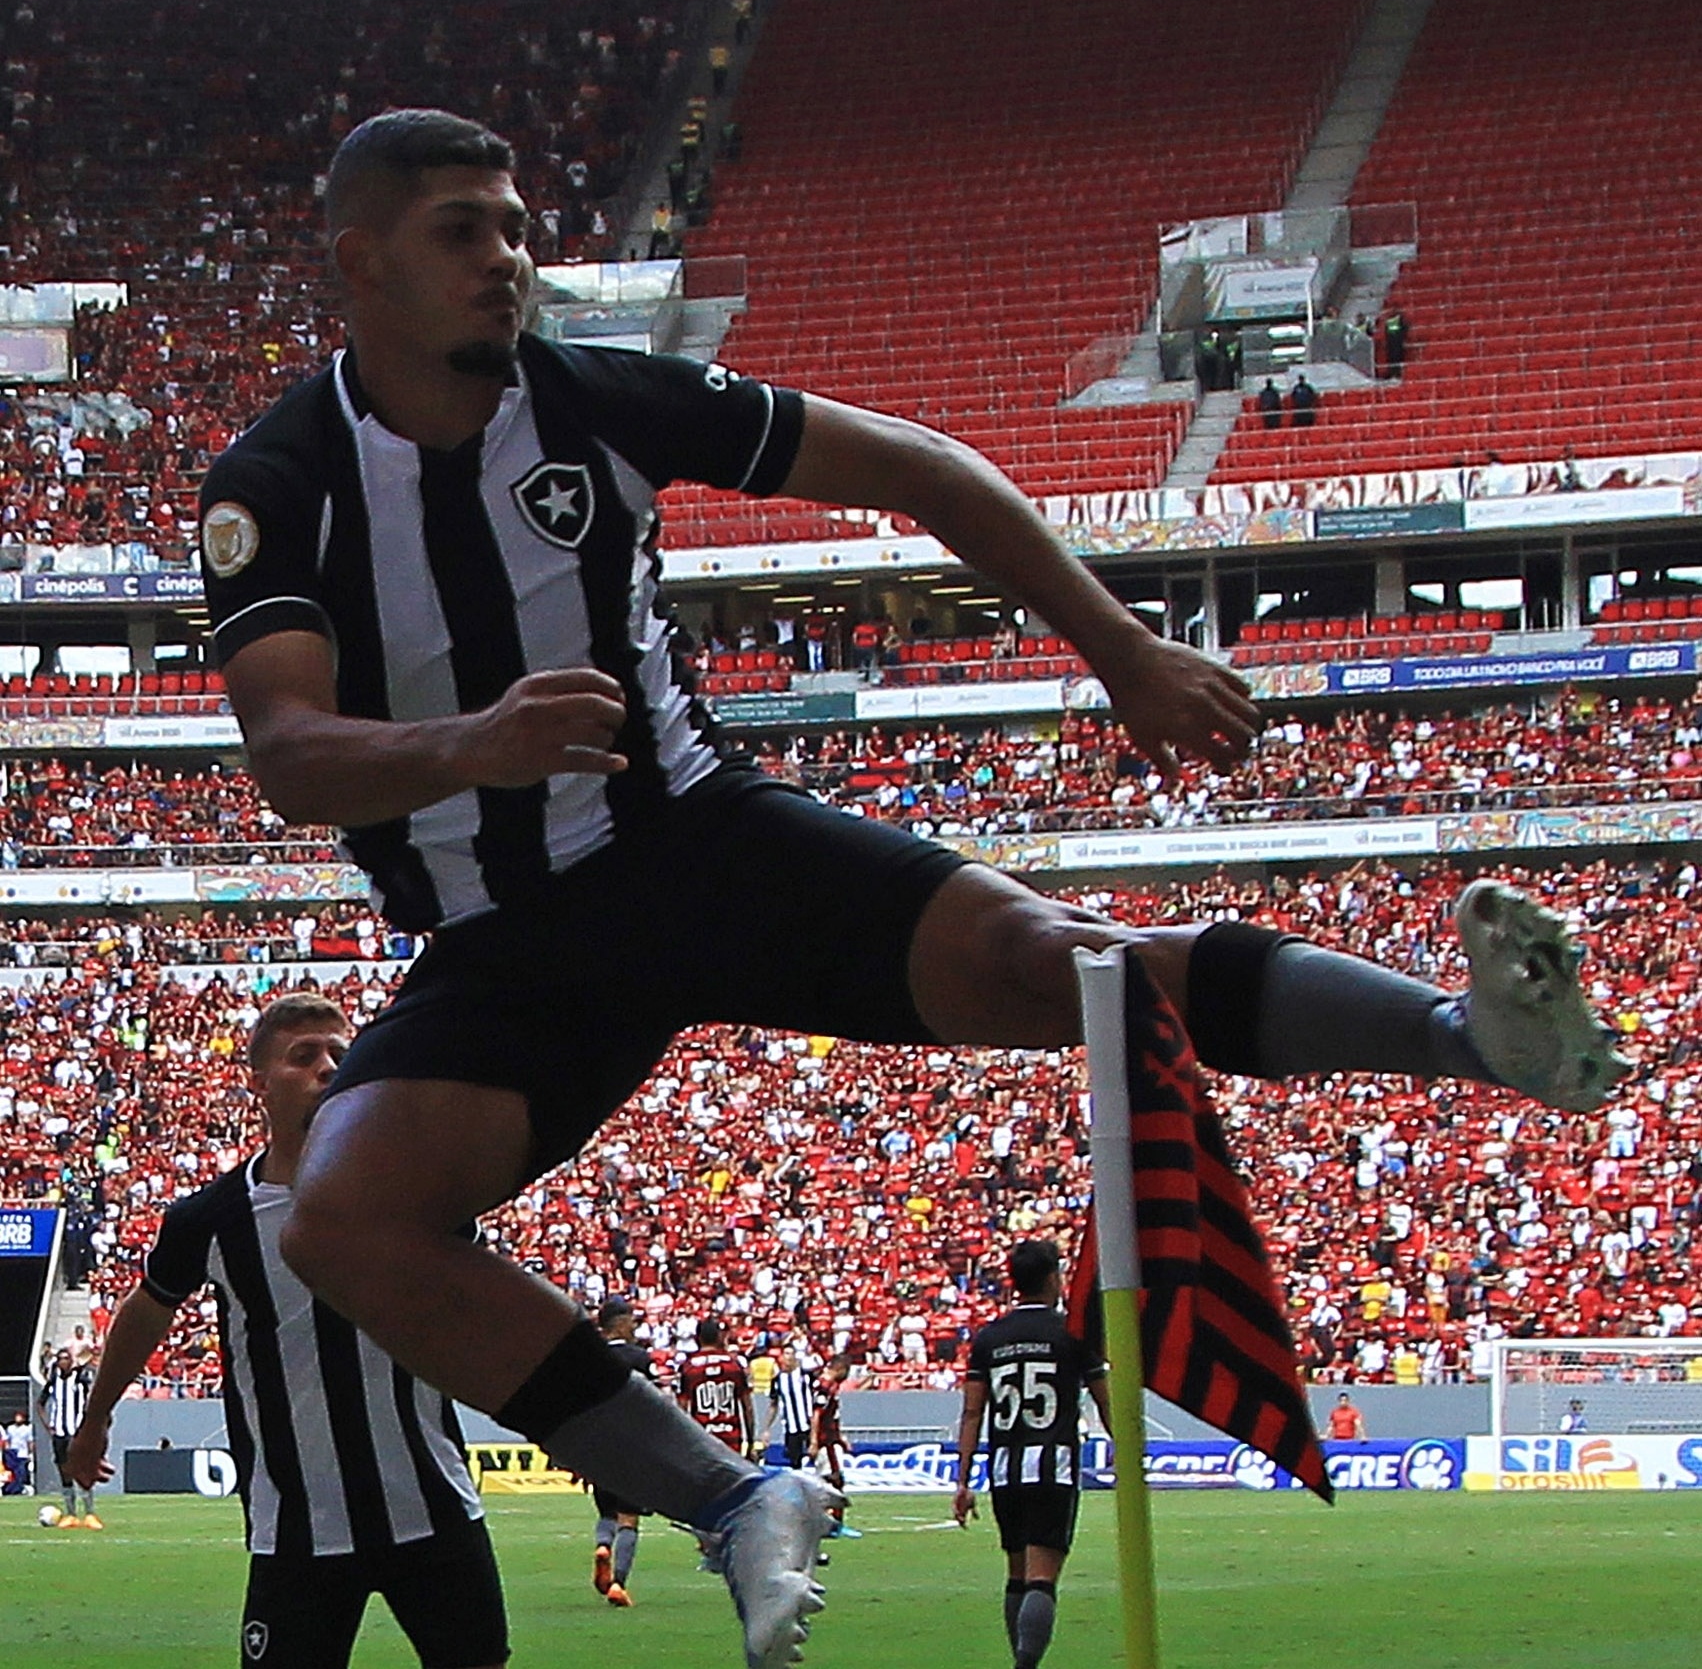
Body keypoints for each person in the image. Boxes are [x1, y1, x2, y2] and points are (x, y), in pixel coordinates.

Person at [199, 106, 1628, 1669]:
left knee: (1058, 963)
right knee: (340, 1218)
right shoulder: (284, 479)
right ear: (359, 264)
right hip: (508, 937)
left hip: (698, 844)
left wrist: (1118, 645)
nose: (509, 261)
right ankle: (732, 1499)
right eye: (462, 231)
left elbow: (921, 467)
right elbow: (286, 746)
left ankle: (1471, 1038)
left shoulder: (597, 398)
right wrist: (476, 740)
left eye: (516, 226)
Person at [63, 994, 508, 1669]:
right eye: (304, 1056)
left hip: (434, 1509)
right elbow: (149, 1307)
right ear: (258, 1082)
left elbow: (485, 1299)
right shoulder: (210, 1220)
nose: (329, 1067)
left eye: (340, 1053)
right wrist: (96, 1418)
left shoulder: (418, 1194)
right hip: (297, 1532)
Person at [953, 1240, 1110, 1669]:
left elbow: (971, 1413)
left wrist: (962, 1481)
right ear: (1052, 1279)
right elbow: (1104, 1400)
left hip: (1004, 1471)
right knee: (1043, 1577)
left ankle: (1022, 1661)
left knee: (1017, 1575)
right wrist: (1130, 1455)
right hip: (1053, 1467)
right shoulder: (1073, 1334)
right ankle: (1025, 1666)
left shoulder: (990, 1339)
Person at [591, 1297, 653, 1608]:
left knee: (606, 1512)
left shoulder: (590, 1357)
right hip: (631, 1447)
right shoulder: (639, 1357)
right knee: (629, 1519)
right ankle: (618, 1582)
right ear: (618, 1323)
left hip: (599, 1446)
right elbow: (649, 1403)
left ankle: (603, 1545)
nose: (634, 1326)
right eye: (630, 1320)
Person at [679, 1317, 758, 1459]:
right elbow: (748, 1408)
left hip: (702, 1440)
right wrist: (750, 1442)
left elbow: (682, 1410)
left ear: (698, 1338)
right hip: (731, 1439)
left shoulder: (689, 1368)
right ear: (718, 1337)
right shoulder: (734, 1366)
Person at [38, 1347, 98, 1528]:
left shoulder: (80, 1379)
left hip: (76, 1432)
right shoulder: (54, 1380)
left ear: (71, 1361)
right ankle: (71, 1514)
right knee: (64, 1472)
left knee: (82, 1470)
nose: (63, 1362)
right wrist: (48, 1425)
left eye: (66, 1359)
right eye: (60, 1359)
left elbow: (92, 1397)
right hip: (60, 1435)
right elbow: (40, 1404)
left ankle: (89, 1514)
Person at [809, 1355, 858, 1539]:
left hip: (831, 1438)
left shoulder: (827, 1385)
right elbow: (816, 1415)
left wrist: (841, 1436)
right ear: (840, 1368)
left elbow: (831, 1415)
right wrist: (814, 1440)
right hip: (825, 1441)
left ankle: (825, 1522)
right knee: (834, 1480)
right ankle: (832, 1525)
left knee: (827, 1481)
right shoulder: (824, 1386)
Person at [761, 1345, 817, 1472]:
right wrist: (766, 1429)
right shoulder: (778, 1380)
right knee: (795, 1464)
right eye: (786, 1353)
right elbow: (773, 1405)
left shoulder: (806, 1376)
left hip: (809, 1426)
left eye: (791, 1354)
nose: (789, 1357)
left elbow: (815, 1402)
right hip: (791, 1429)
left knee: (815, 1462)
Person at [4, 1408, 33, 1495]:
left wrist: (30, 1453)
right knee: (12, 1472)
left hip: (23, 1454)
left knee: (21, 1472)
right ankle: (11, 1488)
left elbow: (30, 1442)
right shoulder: (10, 1428)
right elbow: (7, 1440)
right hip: (12, 1453)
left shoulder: (27, 1429)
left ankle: (19, 1488)